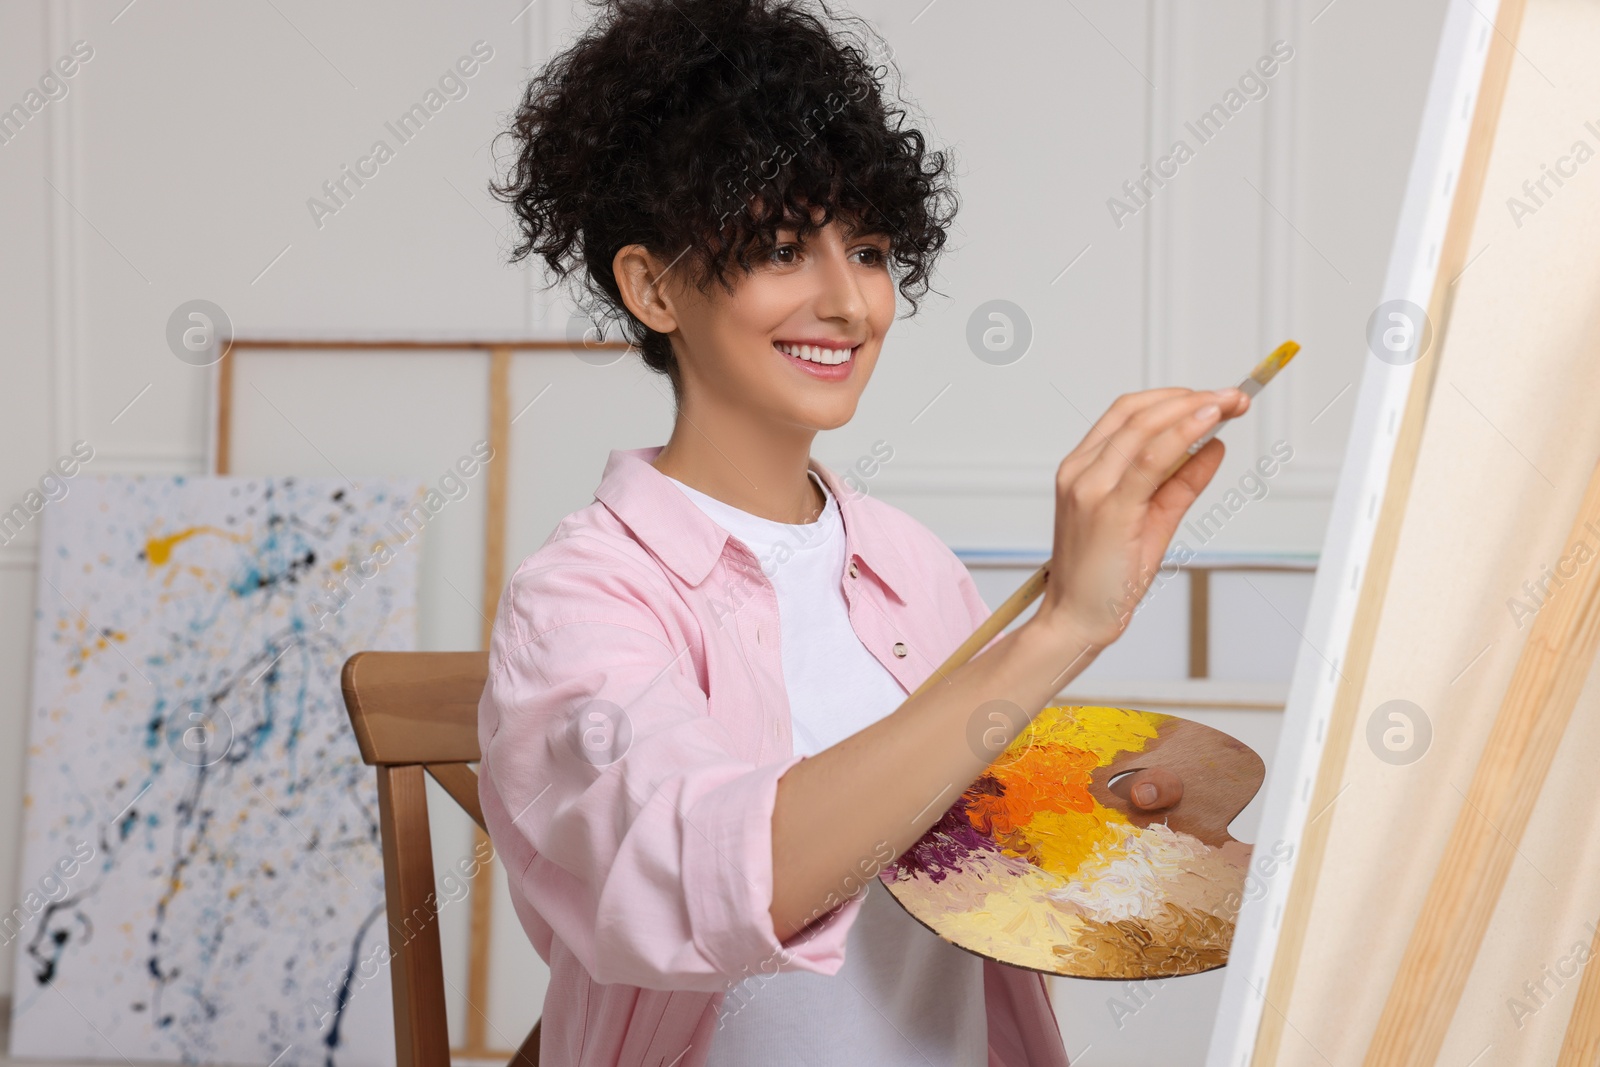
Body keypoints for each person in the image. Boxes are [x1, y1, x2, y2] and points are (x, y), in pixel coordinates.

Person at [476, 0, 1249, 1063]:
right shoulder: (582, 597)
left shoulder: (907, 563)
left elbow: (967, 864)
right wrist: (1062, 629)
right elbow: (719, 873)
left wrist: (1097, 820)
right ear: (652, 285)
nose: (849, 301)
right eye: (783, 247)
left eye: (873, 249)